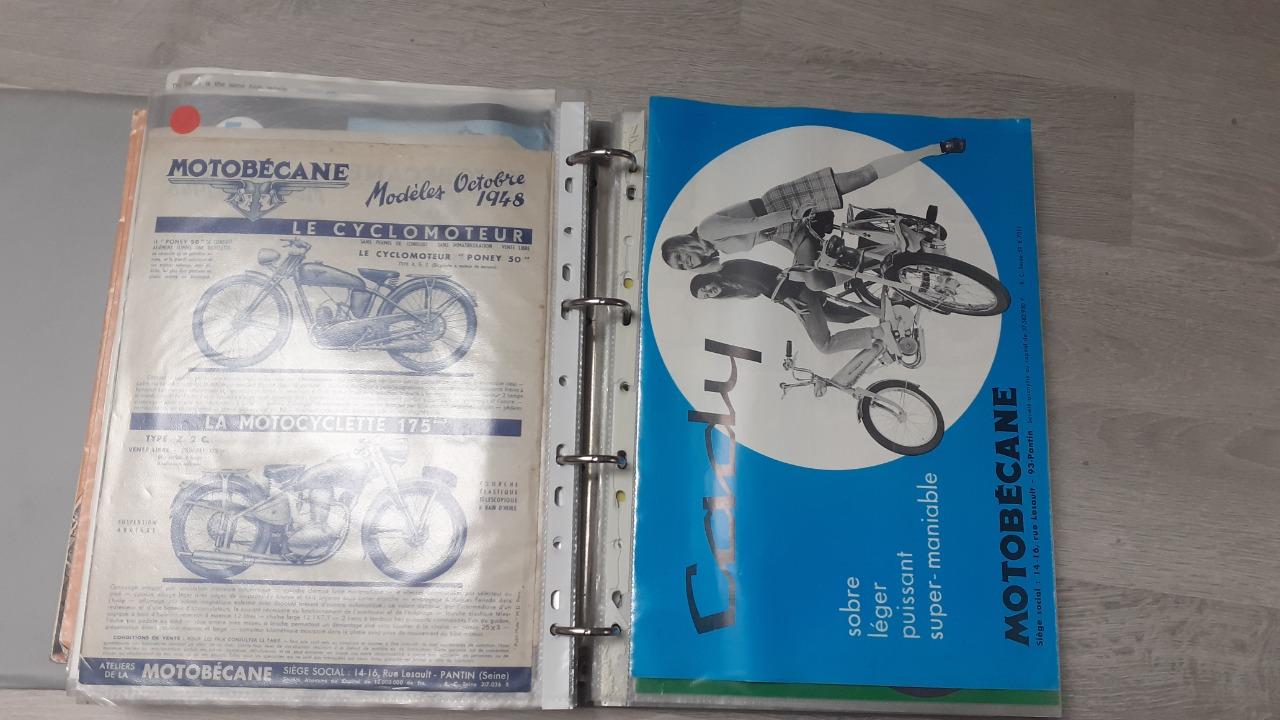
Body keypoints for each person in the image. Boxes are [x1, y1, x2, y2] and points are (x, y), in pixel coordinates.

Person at [661, 138, 966, 280]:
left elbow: (755, 223)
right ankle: (894, 244)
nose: (686, 263)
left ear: (682, 242)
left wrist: (793, 214)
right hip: (783, 232)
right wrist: (702, 267)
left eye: (680, 257)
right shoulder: (712, 250)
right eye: (682, 267)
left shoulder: (708, 230)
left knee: (861, 176)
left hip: (779, 207)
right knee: (817, 277)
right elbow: (723, 264)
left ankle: (934, 149)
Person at [689, 259, 884, 355]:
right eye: (706, 296)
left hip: (797, 292)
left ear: (706, 278)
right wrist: (792, 307)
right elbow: (768, 287)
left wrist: (792, 304)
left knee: (825, 345)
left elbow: (765, 284)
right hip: (794, 292)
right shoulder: (729, 283)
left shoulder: (728, 272)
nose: (709, 292)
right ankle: (887, 307)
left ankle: (878, 332)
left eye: (704, 288)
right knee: (842, 316)